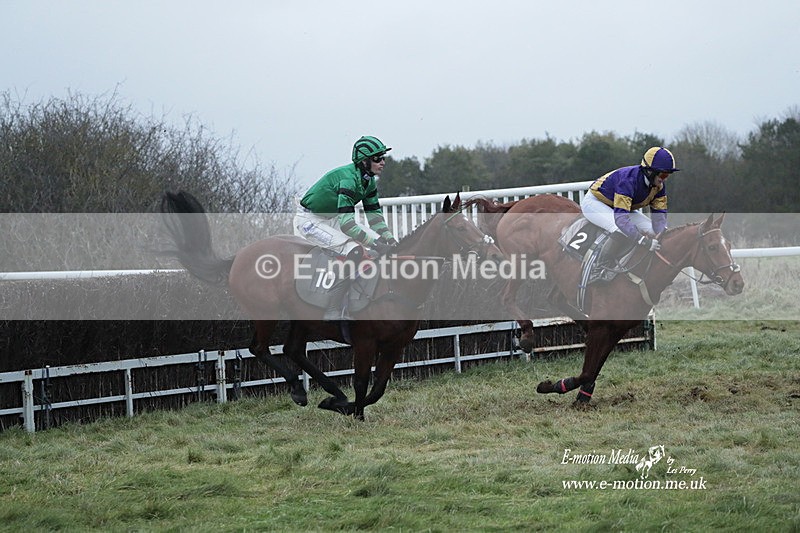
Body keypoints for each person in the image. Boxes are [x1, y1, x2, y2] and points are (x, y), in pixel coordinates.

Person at [293, 135, 399, 320]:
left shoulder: (369, 181)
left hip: (331, 218)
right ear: (364, 161)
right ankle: (333, 307)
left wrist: (389, 239)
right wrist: (374, 244)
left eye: (383, 157)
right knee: (355, 250)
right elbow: (348, 225)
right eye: (377, 158)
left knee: (379, 243)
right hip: (310, 221)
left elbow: (374, 217)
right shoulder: (349, 180)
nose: (382, 162)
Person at [580, 146, 680, 269]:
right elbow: (621, 220)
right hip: (595, 202)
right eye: (663, 175)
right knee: (620, 230)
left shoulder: (659, 186)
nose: (664, 179)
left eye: (667, 175)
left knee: (655, 231)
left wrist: (661, 234)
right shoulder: (628, 180)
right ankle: (598, 267)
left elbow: (659, 219)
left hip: (619, 206)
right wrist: (643, 240)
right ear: (650, 171)